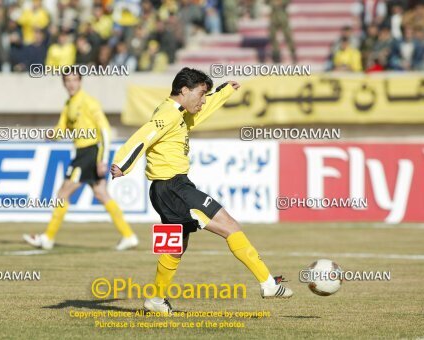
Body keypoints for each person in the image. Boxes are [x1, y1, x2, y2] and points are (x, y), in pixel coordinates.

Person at [110, 68, 293, 314]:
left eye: (206, 94)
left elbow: (203, 111)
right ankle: (268, 283)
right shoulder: (168, 114)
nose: (203, 99)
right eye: (201, 93)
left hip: (165, 189)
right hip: (174, 187)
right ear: (184, 91)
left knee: (175, 247)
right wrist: (123, 164)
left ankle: (155, 299)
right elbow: (144, 136)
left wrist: (224, 92)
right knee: (230, 225)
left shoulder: (179, 112)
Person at [24, 73, 138, 251]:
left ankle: (48, 238)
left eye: (75, 80)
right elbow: (61, 129)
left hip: (89, 152)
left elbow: (105, 131)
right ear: (64, 83)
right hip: (83, 152)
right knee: (101, 193)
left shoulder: (88, 102)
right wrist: (49, 135)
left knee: (63, 193)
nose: (71, 84)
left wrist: (103, 159)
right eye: (68, 81)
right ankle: (128, 235)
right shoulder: (69, 104)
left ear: (80, 81)